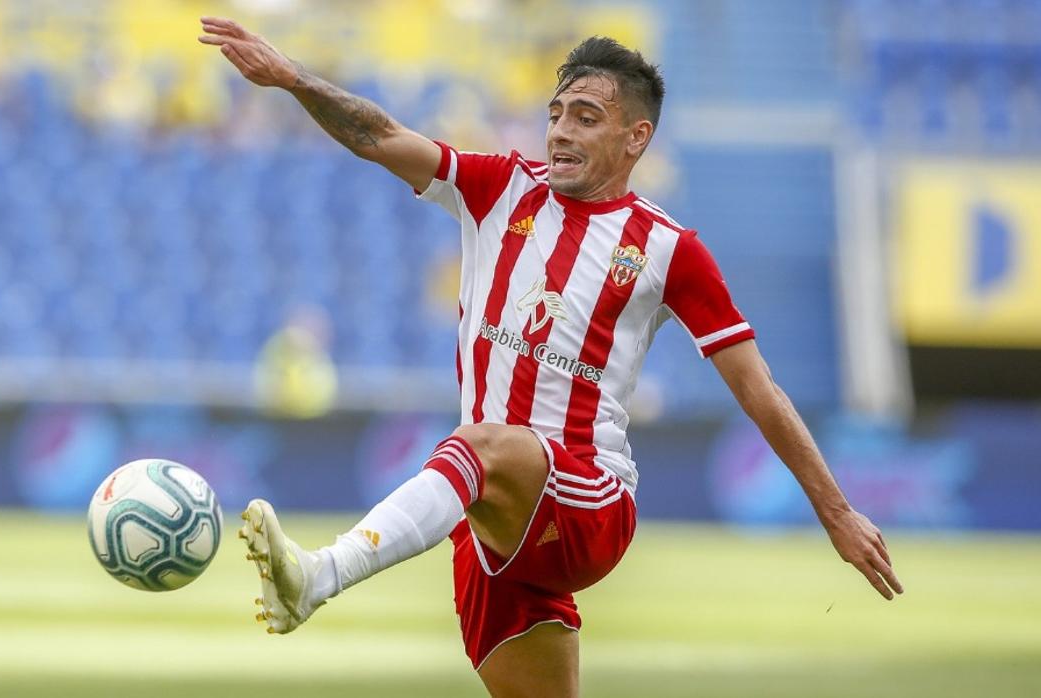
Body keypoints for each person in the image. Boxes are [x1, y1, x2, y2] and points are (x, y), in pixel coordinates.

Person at [198, 17, 904, 697]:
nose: (561, 130)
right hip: (495, 519)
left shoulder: (667, 250)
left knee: (479, 443)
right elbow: (379, 135)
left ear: (635, 138)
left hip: (587, 500)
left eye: (586, 118)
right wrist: (294, 79)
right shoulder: (498, 188)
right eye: (556, 113)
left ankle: (320, 576)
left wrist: (837, 513)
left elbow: (757, 388)